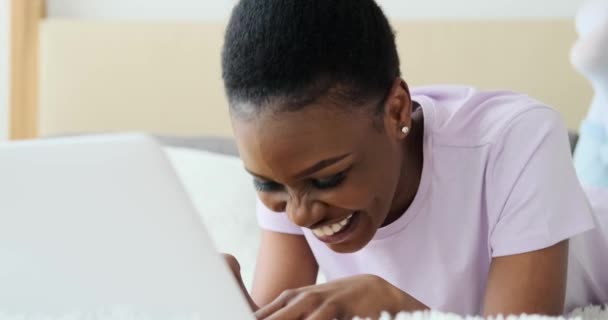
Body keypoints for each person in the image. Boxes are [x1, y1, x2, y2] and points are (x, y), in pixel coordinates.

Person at [220, 0, 598, 319]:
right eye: (267, 184)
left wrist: (396, 304)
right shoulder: (290, 168)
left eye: (327, 179)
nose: (299, 216)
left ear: (397, 111)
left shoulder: (517, 138)